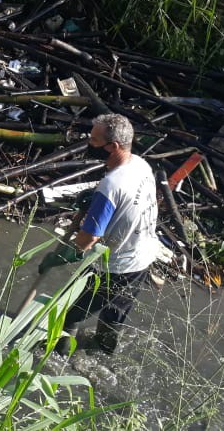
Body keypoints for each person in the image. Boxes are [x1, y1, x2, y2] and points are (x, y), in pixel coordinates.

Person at [39, 113, 159, 355]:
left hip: (112, 266)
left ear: (112, 147)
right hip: (142, 258)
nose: (89, 144)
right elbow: (127, 204)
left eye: (94, 141)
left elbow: (88, 239)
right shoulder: (140, 164)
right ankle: (103, 352)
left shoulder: (111, 186)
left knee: (68, 312)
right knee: (114, 314)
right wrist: (94, 200)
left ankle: (54, 357)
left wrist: (61, 256)